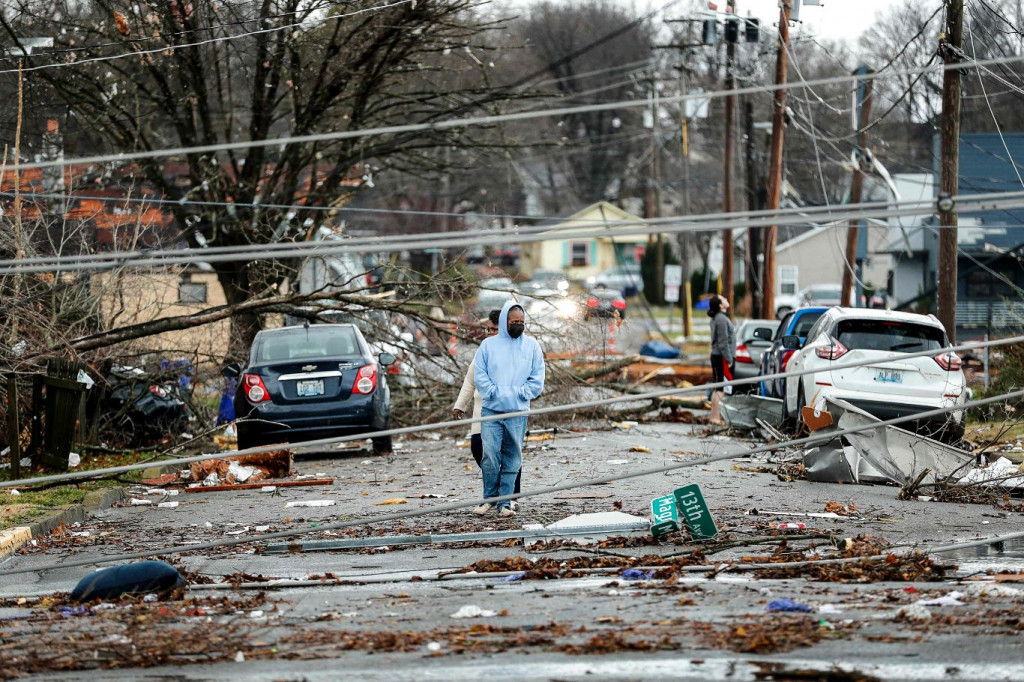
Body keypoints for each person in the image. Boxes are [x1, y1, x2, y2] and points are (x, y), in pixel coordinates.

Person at [472, 300, 545, 517]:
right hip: (492, 410)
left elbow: (537, 378)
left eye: (522, 322)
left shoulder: (531, 346)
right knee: (490, 456)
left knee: (513, 456)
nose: (518, 325)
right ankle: (489, 499)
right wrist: (494, 393)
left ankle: (505, 503)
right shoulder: (488, 346)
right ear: (505, 321)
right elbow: (480, 376)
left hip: (518, 411)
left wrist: (520, 394)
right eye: (514, 321)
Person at [452, 310, 523, 509]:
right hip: (481, 412)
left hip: (507, 410)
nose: (490, 332)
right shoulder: (484, 349)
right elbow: (470, 379)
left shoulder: (514, 349)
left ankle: (510, 497)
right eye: (488, 329)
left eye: (494, 329)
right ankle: (495, 494)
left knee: (510, 453)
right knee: (479, 449)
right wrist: (460, 404)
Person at [708, 295, 735, 424]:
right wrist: (729, 359)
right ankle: (715, 417)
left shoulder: (718, 318)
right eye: (723, 299)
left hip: (716, 355)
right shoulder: (721, 319)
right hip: (721, 357)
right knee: (721, 388)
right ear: (720, 305)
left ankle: (714, 416)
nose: (726, 299)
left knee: (717, 386)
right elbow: (723, 342)